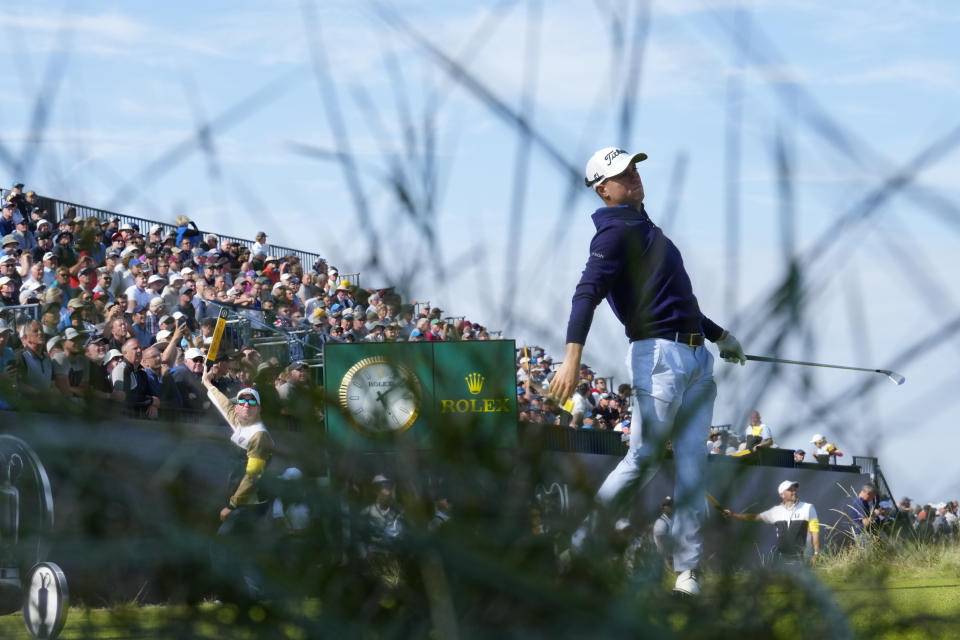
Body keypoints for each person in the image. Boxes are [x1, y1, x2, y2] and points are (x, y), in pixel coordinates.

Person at [552, 147, 746, 597]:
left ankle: (687, 572)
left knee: (694, 469)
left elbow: (675, 300)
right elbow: (586, 294)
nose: (633, 176)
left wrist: (719, 336)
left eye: (634, 168)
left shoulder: (644, 225)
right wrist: (571, 357)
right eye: (622, 173)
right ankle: (579, 547)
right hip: (658, 357)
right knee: (643, 458)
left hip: (697, 356)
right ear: (604, 190)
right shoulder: (614, 235)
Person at [723, 480, 821, 565]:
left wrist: (816, 553)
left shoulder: (808, 508)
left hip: (803, 559)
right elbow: (754, 517)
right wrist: (733, 515)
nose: (794, 491)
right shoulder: (775, 511)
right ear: (782, 494)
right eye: (790, 490)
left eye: (795, 489)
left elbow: (815, 532)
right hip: (782, 560)